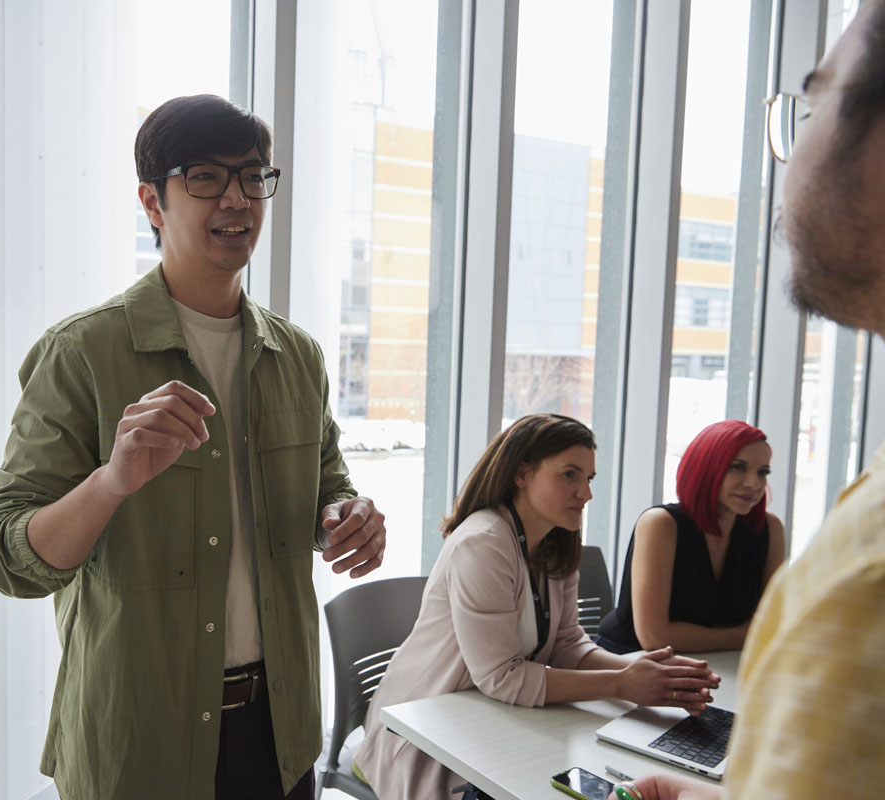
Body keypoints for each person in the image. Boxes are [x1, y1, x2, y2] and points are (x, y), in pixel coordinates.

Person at [0, 94, 387, 800]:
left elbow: (328, 484)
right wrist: (111, 481)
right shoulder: (82, 353)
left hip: (282, 731)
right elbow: (5, 557)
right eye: (205, 177)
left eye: (253, 176)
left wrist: (347, 519)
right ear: (153, 201)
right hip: (140, 739)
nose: (237, 198)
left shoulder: (298, 355)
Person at [608, 2, 885, 799]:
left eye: (816, 100)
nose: (790, 154)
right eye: (741, 467)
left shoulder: (859, 584)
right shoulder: (675, 527)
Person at [353, 414, 720, 800]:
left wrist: (645, 671)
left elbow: (565, 645)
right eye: (569, 475)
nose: (586, 493)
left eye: (589, 479)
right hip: (424, 736)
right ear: (521, 473)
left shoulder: (553, 542)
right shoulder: (483, 542)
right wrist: (622, 683)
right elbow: (501, 677)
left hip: (489, 718)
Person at [597, 420, 785, 654]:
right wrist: (745, 635)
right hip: (631, 659)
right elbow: (654, 638)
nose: (754, 483)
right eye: (738, 467)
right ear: (707, 468)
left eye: (762, 472)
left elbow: (777, 622)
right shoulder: (661, 524)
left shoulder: (769, 528)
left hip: (719, 659)